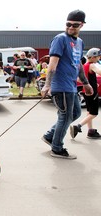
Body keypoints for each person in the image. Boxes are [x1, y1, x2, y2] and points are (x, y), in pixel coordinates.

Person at [41, 9, 93, 159]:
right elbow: (52, 64)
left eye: (75, 25)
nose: (70, 27)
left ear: (82, 25)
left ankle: (50, 136)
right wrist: (47, 84)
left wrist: (86, 83)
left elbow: (78, 65)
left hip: (71, 86)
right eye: (68, 24)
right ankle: (57, 148)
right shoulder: (60, 39)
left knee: (75, 113)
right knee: (65, 116)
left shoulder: (79, 43)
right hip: (61, 86)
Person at [70, 48, 101, 139]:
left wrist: (92, 83)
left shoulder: (84, 66)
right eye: (98, 57)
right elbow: (99, 72)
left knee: (89, 112)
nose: (98, 59)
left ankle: (90, 131)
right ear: (93, 57)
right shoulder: (92, 65)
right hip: (92, 92)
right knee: (94, 113)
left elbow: (79, 79)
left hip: (85, 92)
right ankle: (78, 126)